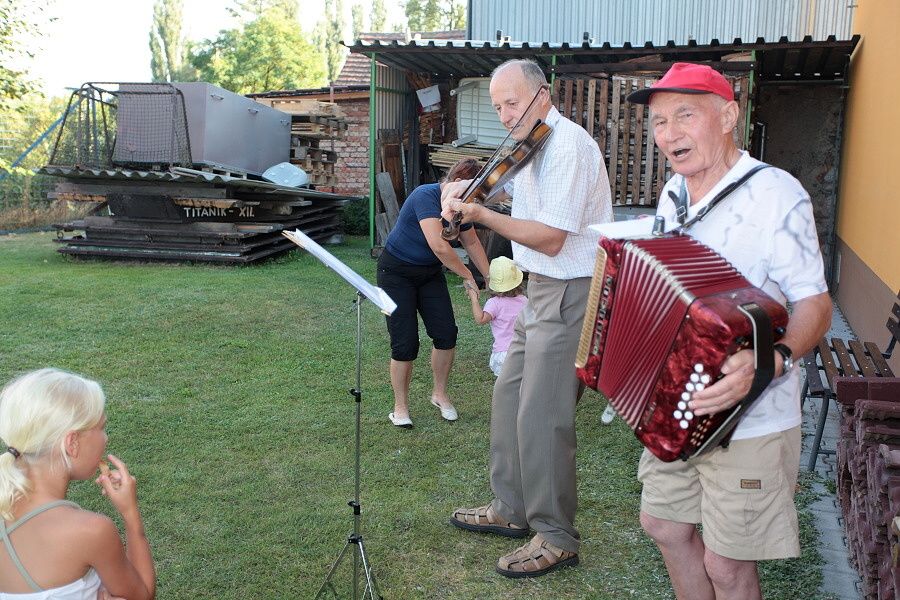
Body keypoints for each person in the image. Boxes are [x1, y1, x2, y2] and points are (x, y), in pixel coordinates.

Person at [626, 62, 833, 599]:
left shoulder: (776, 193)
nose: (668, 133)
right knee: (664, 525)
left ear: (728, 117)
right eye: (658, 121)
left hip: (753, 415)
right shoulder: (673, 194)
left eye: (684, 115)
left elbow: (815, 301)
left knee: (726, 564)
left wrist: (772, 359)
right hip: (679, 400)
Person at [442, 58, 613, 577]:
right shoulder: (532, 145)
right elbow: (513, 195)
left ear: (543, 95)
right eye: (497, 106)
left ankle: (556, 536)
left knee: (543, 414)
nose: (504, 115)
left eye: (511, 103)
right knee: (509, 396)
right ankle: (511, 508)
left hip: (570, 290)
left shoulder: (568, 146)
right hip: (539, 288)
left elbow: (551, 237)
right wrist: (464, 194)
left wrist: (480, 214)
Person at [0, 367, 155, 600]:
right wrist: (130, 514)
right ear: (72, 443)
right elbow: (142, 595)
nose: (106, 438)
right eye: (101, 428)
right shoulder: (91, 530)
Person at [377, 159, 491, 428]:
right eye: (470, 194)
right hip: (395, 274)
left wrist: (490, 278)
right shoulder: (425, 196)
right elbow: (439, 247)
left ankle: (439, 394)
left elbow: (471, 241)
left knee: (446, 334)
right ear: (456, 183)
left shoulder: (460, 207)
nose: (471, 202)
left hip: (429, 274)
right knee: (404, 343)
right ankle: (400, 407)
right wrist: (467, 275)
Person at [465, 256, 527, 377]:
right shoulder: (524, 300)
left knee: (504, 384)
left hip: (503, 353)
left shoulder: (494, 303)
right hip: (523, 350)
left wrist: (474, 299)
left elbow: (480, 319)